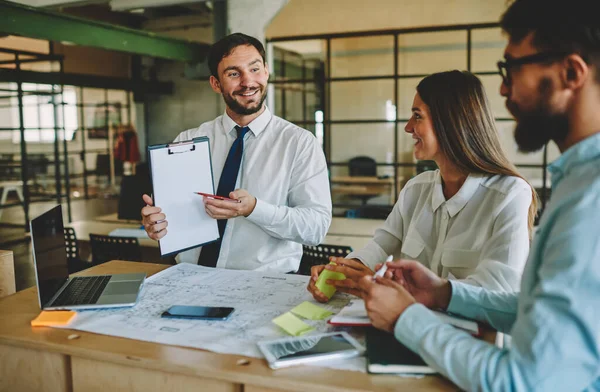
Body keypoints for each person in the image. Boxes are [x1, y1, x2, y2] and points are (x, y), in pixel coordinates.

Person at [360, 1, 600, 390]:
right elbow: (532, 311)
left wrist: (406, 319)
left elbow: (523, 382)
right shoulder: (577, 181)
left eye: (512, 69)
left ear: (571, 72)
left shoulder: (590, 200)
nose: (504, 89)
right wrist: (444, 293)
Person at [308, 70, 537, 302]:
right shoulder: (415, 189)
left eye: (417, 116)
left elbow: (501, 289)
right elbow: (380, 244)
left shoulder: (509, 194)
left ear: (450, 121)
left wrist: (409, 293)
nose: (408, 127)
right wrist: (344, 270)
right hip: (404, 327)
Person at [141, 33, 331, 272]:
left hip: (263, 285)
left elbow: (316, 228)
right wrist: (157, 225)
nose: (247, 82)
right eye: (233, 74)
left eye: (254, 69)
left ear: (266, 71)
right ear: (215, 84)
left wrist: (253, 209)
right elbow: (171, 221)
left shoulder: (299, 143)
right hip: (189, 278)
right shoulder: (187, 141)